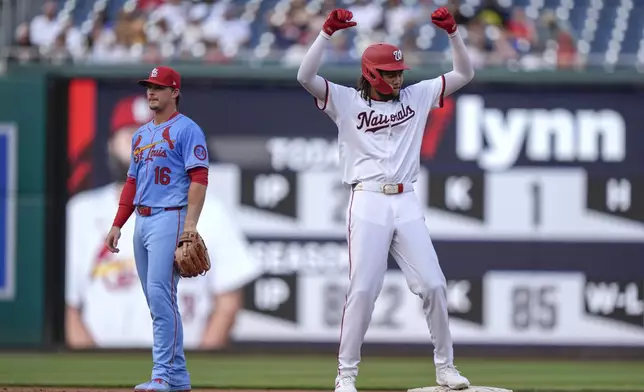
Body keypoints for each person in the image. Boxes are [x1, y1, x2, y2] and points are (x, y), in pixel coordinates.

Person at [296, 7, 475, 392]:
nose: (397, 78)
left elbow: (465, 74)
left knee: (434, 285)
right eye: (391, 73)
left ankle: (446, 367)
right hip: (368, 200)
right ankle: (346, 376)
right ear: (372, 74)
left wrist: (454, 34)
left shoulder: (418, 94)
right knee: (362, 289)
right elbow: (304, 76)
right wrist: (325, 34)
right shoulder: (345, 101)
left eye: (399, 73)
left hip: (406, 200)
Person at [65, 95, 261, 352]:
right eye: (131, 136)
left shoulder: (208, 210)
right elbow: (71, 309)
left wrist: (198, 370)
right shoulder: (82, 211)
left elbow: (228, 303)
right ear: (111, 145)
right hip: (101, 364)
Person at [104, 66, 209, 392]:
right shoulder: (140, 135)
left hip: (170, 216)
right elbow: (132, 183)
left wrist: (189, 226)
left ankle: (163, 375)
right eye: (149, 87)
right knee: (157, 301)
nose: (151, 92)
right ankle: (177, 378)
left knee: (162, 300)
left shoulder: (187, 130)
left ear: (174, 92)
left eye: (159, 87)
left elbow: (199, 179)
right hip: (142, 220)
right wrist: (118, 223)